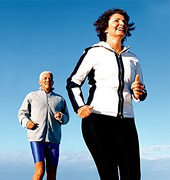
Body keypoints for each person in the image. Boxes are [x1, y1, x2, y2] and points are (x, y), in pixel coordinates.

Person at [66, 8, 147, 180]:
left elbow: (141, 92)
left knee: (132, 176)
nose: (122, 24)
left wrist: (139, 92)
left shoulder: (133, 58)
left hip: (127, 122)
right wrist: (80, 107)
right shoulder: (93, 52)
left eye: (125, 22)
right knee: (109, 175)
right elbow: (73, 82)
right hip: (98, 121)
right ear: (105, 28)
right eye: (117, 20)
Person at [18, 71, 69, 180]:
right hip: (37, 139)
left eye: (50, 78)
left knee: (52, 174)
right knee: (40, 171)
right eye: (45, 78)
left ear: (53, 82)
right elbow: (22, 113)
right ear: (40, 82)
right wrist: (27, 122)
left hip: (54, 140)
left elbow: (67, 118)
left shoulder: (60, 99)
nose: (47, 80)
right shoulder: (32, 96)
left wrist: (61, 117)